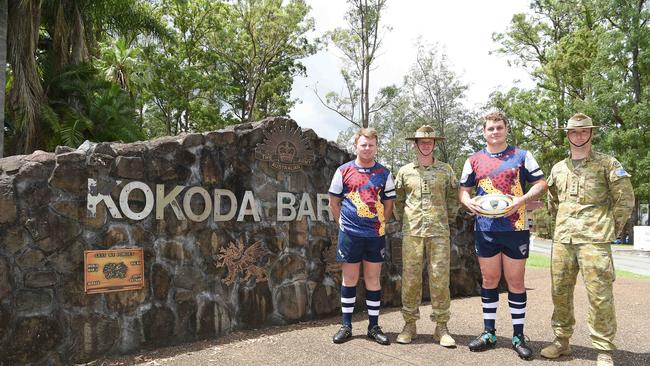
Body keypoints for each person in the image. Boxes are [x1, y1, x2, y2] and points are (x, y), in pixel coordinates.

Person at [541, 113, 635, 366]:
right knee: (559, 292)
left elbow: (625, 199)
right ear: (567, 135)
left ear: (591, 134)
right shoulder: (558, 168)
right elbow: (553, 202)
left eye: (584, 131)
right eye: (573, 132)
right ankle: (562, 340)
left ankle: (604, 349)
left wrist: (611, 229)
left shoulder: (608, 164)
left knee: (599, 295)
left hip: (595, 240)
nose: (579, 135)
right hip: (563, 239)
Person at [459, 112, 547, 360]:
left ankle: (518, 336)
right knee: (489, 280)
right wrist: (468, 202)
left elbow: (541, 183)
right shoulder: (473, 160)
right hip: (485, 229)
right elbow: (464, 191)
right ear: (484, 132)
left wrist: (522, 199)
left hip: (515, 229)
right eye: (490, 128)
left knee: (515, 282)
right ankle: (489, 333)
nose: (495, 132)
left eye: (499, 127)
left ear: (506, 129)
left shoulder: (522, 155)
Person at [393, 125, 459, 347]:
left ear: (434, 144)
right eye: (422, 141)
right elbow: (398, 202)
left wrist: (445, 220)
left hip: (439, 233)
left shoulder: (446, 170)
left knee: (440, 280)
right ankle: (409, 325)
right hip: (412, 233)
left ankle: (441, 327)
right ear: (416, 144)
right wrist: (407, 220)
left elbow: (453, 199)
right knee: (411, 279)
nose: (426, 144)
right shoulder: (404, 172)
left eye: (430, 141)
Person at [328, 127, 395, 345]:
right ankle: (346, 326)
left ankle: (373, 327)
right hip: (350, 234)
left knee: (373, 279)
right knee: (350, 279)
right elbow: (334, 202)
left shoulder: (384, 174)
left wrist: (380, 225)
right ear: (356, 146)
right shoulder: (343, 171)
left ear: (376, 146)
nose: (367, 148)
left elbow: (388, 204)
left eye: (371, 145)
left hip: (374, 235)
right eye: (363, 144)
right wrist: (342, 224)